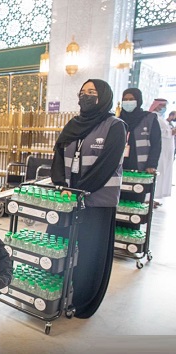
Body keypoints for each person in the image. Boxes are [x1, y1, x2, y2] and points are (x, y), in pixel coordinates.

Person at [49, 79, 126, 319]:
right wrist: (61, 185)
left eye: (92, 92)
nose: (86, 96)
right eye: (83, 92)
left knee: (91, 253)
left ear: (103, 96)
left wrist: (80, 191)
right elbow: (59, 155)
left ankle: (84, 301)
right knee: (60, 247)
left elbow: (106, 165)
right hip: (67, 200)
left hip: (97, 202)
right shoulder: (74, 124)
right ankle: (55, 295)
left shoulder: (115, 126)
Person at [118, 88, 161, 174]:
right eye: (125, 99)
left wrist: (151, 165)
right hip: (118, 165)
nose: (128, 102)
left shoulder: (149, 118)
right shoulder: (117, 119)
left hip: (140, 165)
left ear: (138, 100)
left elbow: (156, 143)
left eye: (131, 99)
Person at [149, 99, 174, 203]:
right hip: (160, 150)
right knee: (158, 171)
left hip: (166, 150)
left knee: (162, 173)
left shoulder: (160, 118)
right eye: (162, 105)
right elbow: (158, 132)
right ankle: (149, 199)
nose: (164, 108)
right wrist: (171, 131)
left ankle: (153, 198)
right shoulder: (153, 117)